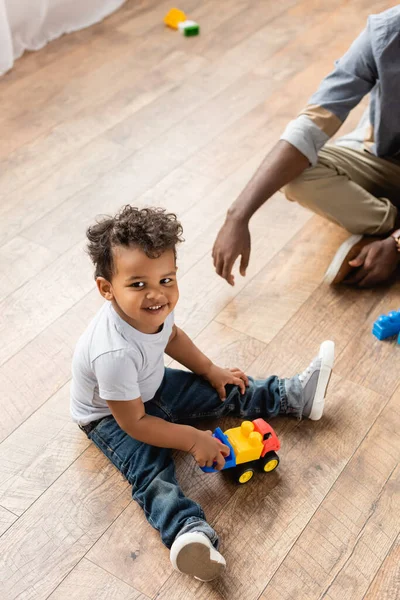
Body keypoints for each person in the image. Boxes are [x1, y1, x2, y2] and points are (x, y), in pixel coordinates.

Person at [70, 205, 335, 581]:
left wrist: (211, 370)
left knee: (223, 388)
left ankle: (293, 395)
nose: (156, 295)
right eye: (137, 284)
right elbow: (137, 424)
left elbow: (172, 337)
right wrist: (194, 440)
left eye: (166, 280)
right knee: (151, 468)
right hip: (111, 417)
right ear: (106, 289)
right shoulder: (111, 353)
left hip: (149, 383)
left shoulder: (155, 309)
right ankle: (186, 533)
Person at [213, 6, 400, 288]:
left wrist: (397, 245)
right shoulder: (386, 33)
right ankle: (387, 222)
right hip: (387, 160)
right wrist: (238, 215)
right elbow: (313, 123)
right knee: (296, 174)